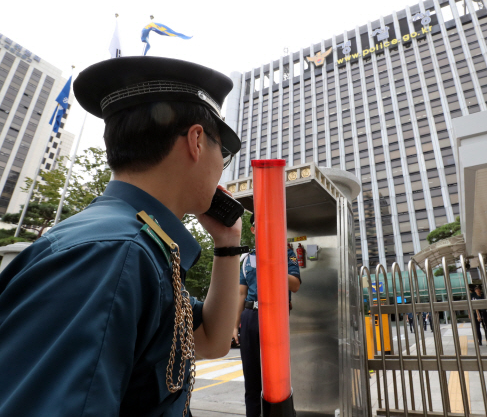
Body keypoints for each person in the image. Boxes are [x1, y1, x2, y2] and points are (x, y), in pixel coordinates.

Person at [0, 56, 245, 416]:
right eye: (222, 152)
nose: (219, 167)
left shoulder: (141, 243)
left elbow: (211, 341)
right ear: (195, 140)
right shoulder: (116, 253)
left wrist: (227, 244)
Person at [233, 214, 301, 417]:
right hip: (250, 316)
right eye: (258, 226)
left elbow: (295, 285)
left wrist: (271, 264)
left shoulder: (286, 254)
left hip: (275, 316)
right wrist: (234, 325)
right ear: (253, 229)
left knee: (276, 379)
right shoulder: (245, 259)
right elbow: (241, 293)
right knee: (251, 378)